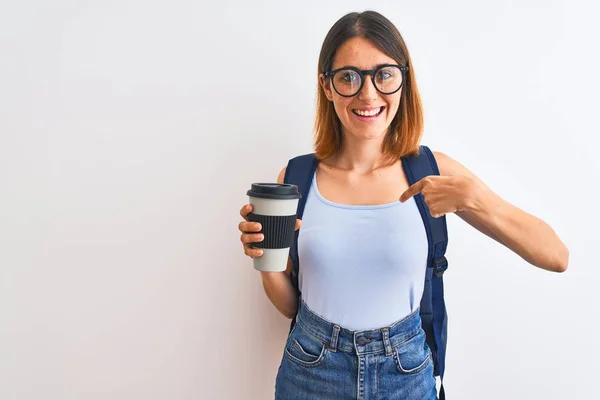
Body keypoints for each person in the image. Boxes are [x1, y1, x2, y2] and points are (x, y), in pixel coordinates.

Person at [237, 10, 569, 400]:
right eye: (348, 77)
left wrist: (474, 200)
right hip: (311, 371)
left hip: (405, 374)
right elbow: (289, 305)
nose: (368, 94)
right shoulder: (296, 179)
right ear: (326, 87)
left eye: (384, 74)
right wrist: (264, 260)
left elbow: (555, 255)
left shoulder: (432, 171)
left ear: (403, 80)